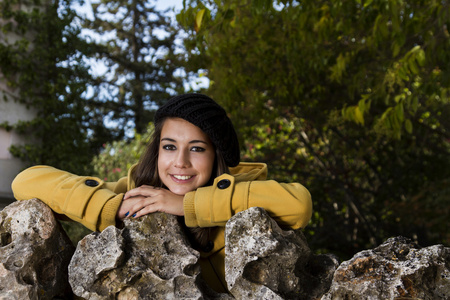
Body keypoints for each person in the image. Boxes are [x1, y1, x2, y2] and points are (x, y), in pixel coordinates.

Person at [12, 93, 312, 293]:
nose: (180, 162)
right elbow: (25, 181)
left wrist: (189, 205)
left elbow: (299, 205)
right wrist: (109, 207)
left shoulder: (239, 191)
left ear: (216, 156)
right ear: (157, 150)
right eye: (169, 146)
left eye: (196, 149)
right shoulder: (136, 193)